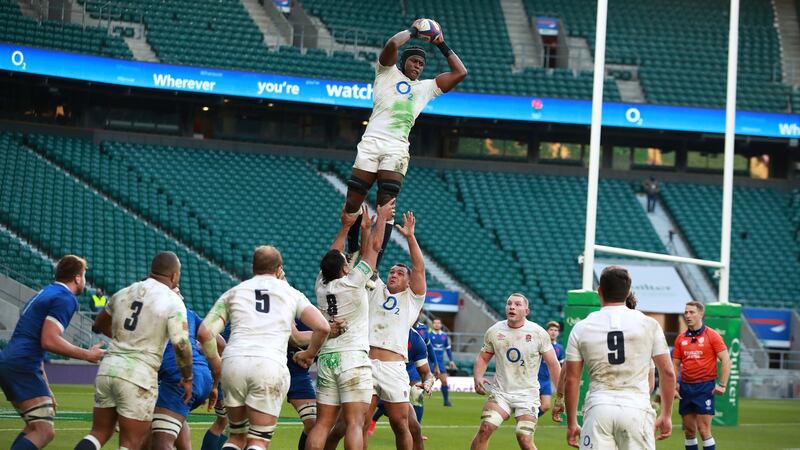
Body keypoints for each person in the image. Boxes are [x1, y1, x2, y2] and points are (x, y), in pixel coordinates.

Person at [342, 19, 467, 268]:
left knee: (386, 207)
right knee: (352, 203)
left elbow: (460, 73)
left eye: (421, 64)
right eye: (414, 61)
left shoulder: (425, 88)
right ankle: (353, 248)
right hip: (371, 143)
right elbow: (391, 44)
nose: (418, 67)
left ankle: (375, 263)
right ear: (404, 61)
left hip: (397, 148)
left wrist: (441, 43)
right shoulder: (386, 72)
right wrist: (413, 31)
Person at [200, 245, 330, 450]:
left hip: (233, 364)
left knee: (235, 438)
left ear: (253, 267)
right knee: (258, 440)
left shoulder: (234, 292)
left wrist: (216, 365)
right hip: (269, 366)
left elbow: (205, 333)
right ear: (279, 269)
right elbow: (323, 327)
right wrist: (309, 353)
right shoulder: (290, 293)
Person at [75, 251, 193, 450]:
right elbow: (181, 343)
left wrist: (125, 339)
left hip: (109, 368)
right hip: (138, 376)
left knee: (98, 434)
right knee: (130, 443)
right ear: (174, 276)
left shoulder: (125, 292)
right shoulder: (173, 301)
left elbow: (100, 322)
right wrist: (187, 378)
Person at [306, 200, 392, 450]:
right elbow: (374, 250)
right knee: (355, 423)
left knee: (323, 423)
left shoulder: (321, 286)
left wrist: (347, 229)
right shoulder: (353, 282)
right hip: (353, 358)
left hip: (327, 359)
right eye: (346, 262)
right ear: (345, 268)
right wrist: (381, 220)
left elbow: (330, 258)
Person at [562, 265, 676, 449]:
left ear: (599, 291)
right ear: (628, 291)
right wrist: (666, 415)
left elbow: (572, 379)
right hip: (636, 408)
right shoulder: (649, 324)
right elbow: (668, 373)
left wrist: (572, 423)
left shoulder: (582, 327)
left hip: (599, 408)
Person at [0, 255, 105, 450]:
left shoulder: (46, 292)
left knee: (36, 426)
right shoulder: (66, 298)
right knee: (44, 430)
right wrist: (87, 355)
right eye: (84, 274)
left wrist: (46, 388)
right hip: (22, 363)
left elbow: (37, 342)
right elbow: (48, 340)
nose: (85, 279)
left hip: (12, 359)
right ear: (77, 278)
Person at [363, 211, 427, 450]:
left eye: (400, 273)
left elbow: (419, 268)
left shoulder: (411, 300)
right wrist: (373, 226)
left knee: (401, 424)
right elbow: (370, 255)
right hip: (367, 363)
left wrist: (410, 237)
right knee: (360, 422)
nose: (393, 275)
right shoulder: (375, 289)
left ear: (408, 282)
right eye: (391, 271)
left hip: (393, 368)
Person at [470, 293, 561, 450]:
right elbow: (483, 358)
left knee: (524, 438)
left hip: (527, 395)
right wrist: (478, 377)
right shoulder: (494, 331)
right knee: (485, 429)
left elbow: (553, 365)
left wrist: (560, 396)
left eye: (517, 304)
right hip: (501, 393)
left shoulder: (538, 333)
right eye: (509, 303)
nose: (512, 306)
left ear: (526, 311)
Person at [149, 290, 219, 450]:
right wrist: (214, 386)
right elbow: (218, 343)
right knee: (174, 417)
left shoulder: (155, 313)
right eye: (178, 291)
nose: (182, 296)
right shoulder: (190, 314)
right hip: (204, 378)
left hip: (180, 378)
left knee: (161, 441)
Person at [673, 301, 731, 450]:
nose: (687, 315)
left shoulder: (712, 335)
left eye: (691, 312)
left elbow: (726, 359)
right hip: (685, 387)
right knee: (689, 432)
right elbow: (675, 365)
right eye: (686, 312)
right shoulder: (680, 338)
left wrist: (722, 384)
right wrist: (674, 386)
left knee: (704, 430)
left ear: (701, 314)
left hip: (705, 387)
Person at [366, 328, 434, 450]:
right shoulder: (376, 329)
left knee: (413, 428)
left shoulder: (415, 338)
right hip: (370, 376)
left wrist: (428, 382)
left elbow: (426, 372)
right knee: (346, 426)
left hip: (396, 384)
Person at [537, 321, 563, 417]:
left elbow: (560, 366)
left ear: (558, 333)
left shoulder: (560, 348)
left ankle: (530, 419)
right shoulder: (540, 344)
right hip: (535, 379)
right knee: (529, 405)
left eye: (556, 330)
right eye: (551, 329)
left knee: (546, 406)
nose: (553, 332)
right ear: (546, 331)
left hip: (546, 381)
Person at [429, 318, 456, 407]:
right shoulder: (428, 335)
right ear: (432, 325)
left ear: (441, 325)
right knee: (423, 382)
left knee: (444, 381)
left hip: (440, 363)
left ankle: (446, 401)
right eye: (435, 323)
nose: (437, 324)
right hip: (429, 363)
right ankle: (416, 400)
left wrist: (451, 360)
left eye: (438, 323)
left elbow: (448, 350)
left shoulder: (444, 336)